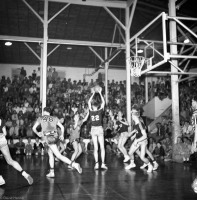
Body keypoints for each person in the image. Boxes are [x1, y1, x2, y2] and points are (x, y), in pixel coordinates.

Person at [32, 107, 82, 178]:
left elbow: (33, 128)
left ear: (44, 111)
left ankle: (74, 164)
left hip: (48, 137)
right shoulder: (54, 118)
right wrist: (62, 135)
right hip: (55, 136)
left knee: (58, 155)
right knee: (50, 153)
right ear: (50, 112)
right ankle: (52, 172)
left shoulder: (41, 118)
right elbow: (62, 127)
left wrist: (38, 133)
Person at [0, 117, 33, 185]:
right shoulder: (1, 120)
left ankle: (0, 179)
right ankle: (25, 174)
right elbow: (5, 133)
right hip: (2, 140)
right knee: (10, 161)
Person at [125, 105, 153, 173]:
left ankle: (150, 165)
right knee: (130, 152)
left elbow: (145, 136)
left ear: (135, 115)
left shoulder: (140, 124)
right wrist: (133, 134)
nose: (131, 114)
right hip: (137, 139)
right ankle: (132, 164)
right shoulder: (135, 122)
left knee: (142, 157)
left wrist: (136, 140)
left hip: (143, 141)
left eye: (132, 113)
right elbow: (137, 131)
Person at [85, 86, 107, 170]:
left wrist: (93, 93)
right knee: (102, 147)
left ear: (92, 106)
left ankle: (97, 164)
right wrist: (100, 93)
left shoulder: (91, 111)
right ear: (97, 106)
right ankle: (103, 164)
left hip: (93, 129)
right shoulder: (100, 110)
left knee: (96, 148)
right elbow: (103, 102)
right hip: (99, 128)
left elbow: (89, 102)